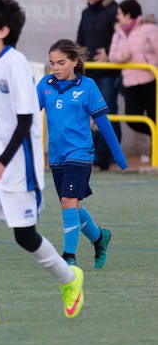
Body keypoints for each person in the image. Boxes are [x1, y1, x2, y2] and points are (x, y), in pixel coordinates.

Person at [0, 0, 84, 325]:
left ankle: (70, 279)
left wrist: (2, 162)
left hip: (18, 163)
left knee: (24, 236)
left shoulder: (16, 64)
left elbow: (26, 121)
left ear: (3, 31)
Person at [37, 39, 128, 269]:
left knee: (68, 202)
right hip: (57, 156)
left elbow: (104, 124)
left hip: (80, 154)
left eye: (61, 62)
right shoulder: (45, 84)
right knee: (72, 206)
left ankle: (69, 257)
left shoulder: (87, 86)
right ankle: (99, 237)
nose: (55, 68)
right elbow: (27, 115)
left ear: (74, 62)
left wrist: (119, 156)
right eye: (52, 63)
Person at [77, 0, 122, 171]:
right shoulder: (85, 13)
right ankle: (94, 158)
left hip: (108, 73)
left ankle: (108, 157)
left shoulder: (115, 11)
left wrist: (109, 52)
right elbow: (79, 39)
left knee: (107, 113)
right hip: (89, 73)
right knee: (89, 115)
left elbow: (124, 36)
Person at [109, 0, 158, 157]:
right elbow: (112, 55)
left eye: (120, 14)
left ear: (128, 15)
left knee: (154, 116)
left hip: (150, 80)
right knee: (132, 119)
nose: (118, 17)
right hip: (130, 82)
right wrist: (121, 57)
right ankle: (155, 136)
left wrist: (148, 61)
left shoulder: (149, 28)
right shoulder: (119, 33)